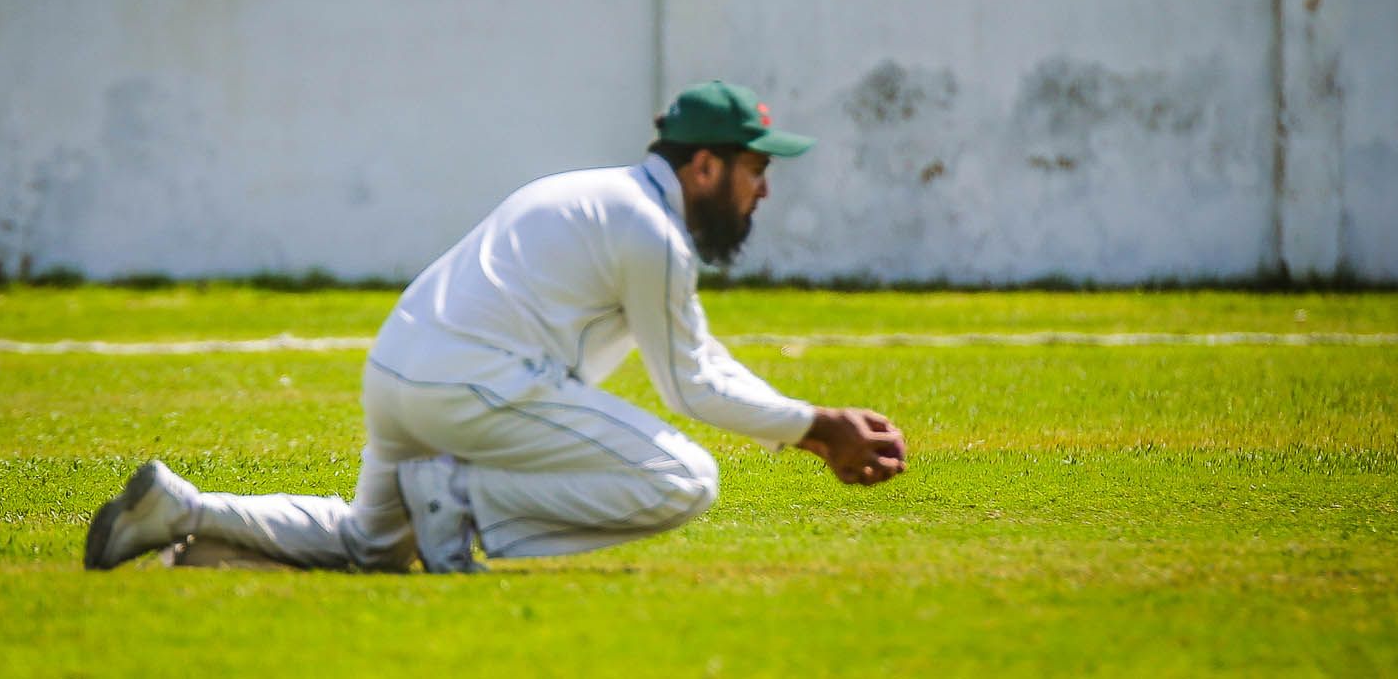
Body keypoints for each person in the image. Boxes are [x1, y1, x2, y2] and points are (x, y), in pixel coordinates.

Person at [84, 80, 908, 574]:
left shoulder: (594, 194)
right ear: (704, 165)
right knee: (685, 479)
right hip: (472, 388)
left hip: (399, 375)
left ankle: (182, 510)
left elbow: (695, 351)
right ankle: (458, 497)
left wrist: (809, 425)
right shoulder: (648, 230)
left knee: (370, 544)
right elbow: (689, 385)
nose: (763, 190)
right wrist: (818, 426)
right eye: (756, 168)